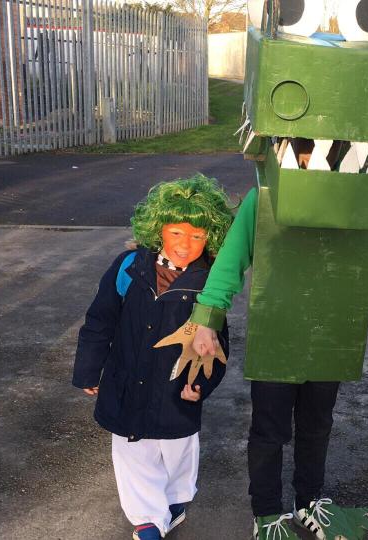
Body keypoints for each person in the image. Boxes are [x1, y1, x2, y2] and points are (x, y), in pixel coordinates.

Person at [187, 185, 368, 540]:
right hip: (277, 334)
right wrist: (207, 316)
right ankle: (266, 513)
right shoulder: (266, 196)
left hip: (331, 337)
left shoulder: (363, 197)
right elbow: (232, 259)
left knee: (317, 425)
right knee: (269, 431)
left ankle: (309, 501)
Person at [72, 175, 234, 540]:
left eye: (197, 236)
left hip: (177, 385)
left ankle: (175, 501)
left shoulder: (210, 282)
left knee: (177, 448)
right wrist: (89, 370)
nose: (185, 244)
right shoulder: (128, 266)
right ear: (158, 229)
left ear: (211, 237)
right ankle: (147, 518)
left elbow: (217, 344)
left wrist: (202, 385)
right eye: (176, 233)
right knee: (133, 451)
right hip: (125, 379)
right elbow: (100, 320)